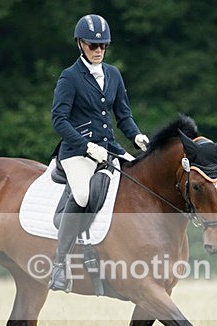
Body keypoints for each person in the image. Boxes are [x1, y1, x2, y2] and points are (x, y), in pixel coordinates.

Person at [48, 13, 149, 292]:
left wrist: (137, 136)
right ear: (80, 44)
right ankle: (59, 266)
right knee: (82, 194)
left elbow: (123, 116)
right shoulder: (69, 77)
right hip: (77, 152)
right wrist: (84, 145)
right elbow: (59, 120)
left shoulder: (113, 74)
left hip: (109, 149)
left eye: (103, 46)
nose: (98, 50)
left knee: (140, 181)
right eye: (93, 46)